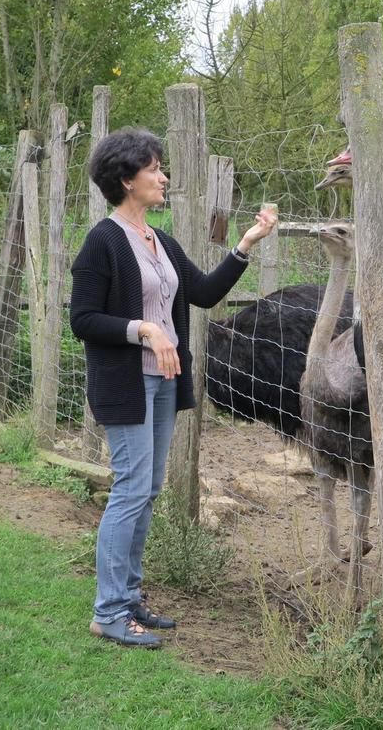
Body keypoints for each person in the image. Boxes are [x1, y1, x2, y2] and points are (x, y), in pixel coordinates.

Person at [71, 126, 277, 647]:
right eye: (155, 169)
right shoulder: (103, 240)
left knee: (148, 489)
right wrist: (142, 329)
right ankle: (109, 611)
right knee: (131, 489)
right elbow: (83, 319)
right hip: (126, 382)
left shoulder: (161, 241)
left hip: (163, 383)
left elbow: (204, 293)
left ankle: (129, 598)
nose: (163, 177)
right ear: (126, 178)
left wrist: (246, 245)